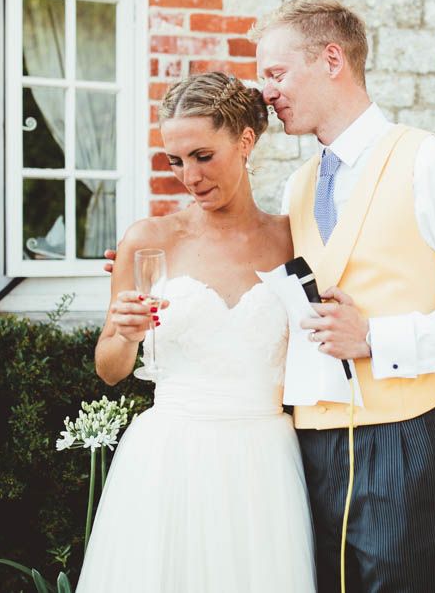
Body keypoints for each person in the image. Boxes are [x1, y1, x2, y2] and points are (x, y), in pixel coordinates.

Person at [250, 0, 435, 592]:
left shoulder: (431, 163)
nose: (265, 93)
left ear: (333, 59)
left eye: (276, 74)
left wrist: (376, 338)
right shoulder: (298, 186)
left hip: (402, 443)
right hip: (308, 446)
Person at [76, 72, 316, 592]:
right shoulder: (149, 240)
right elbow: (111, 370)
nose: (189, 176)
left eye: (203, 156)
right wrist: (124, 333)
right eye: (175, 161)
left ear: (245, 141)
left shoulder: (294, 240)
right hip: (169, 460)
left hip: (266, 463)